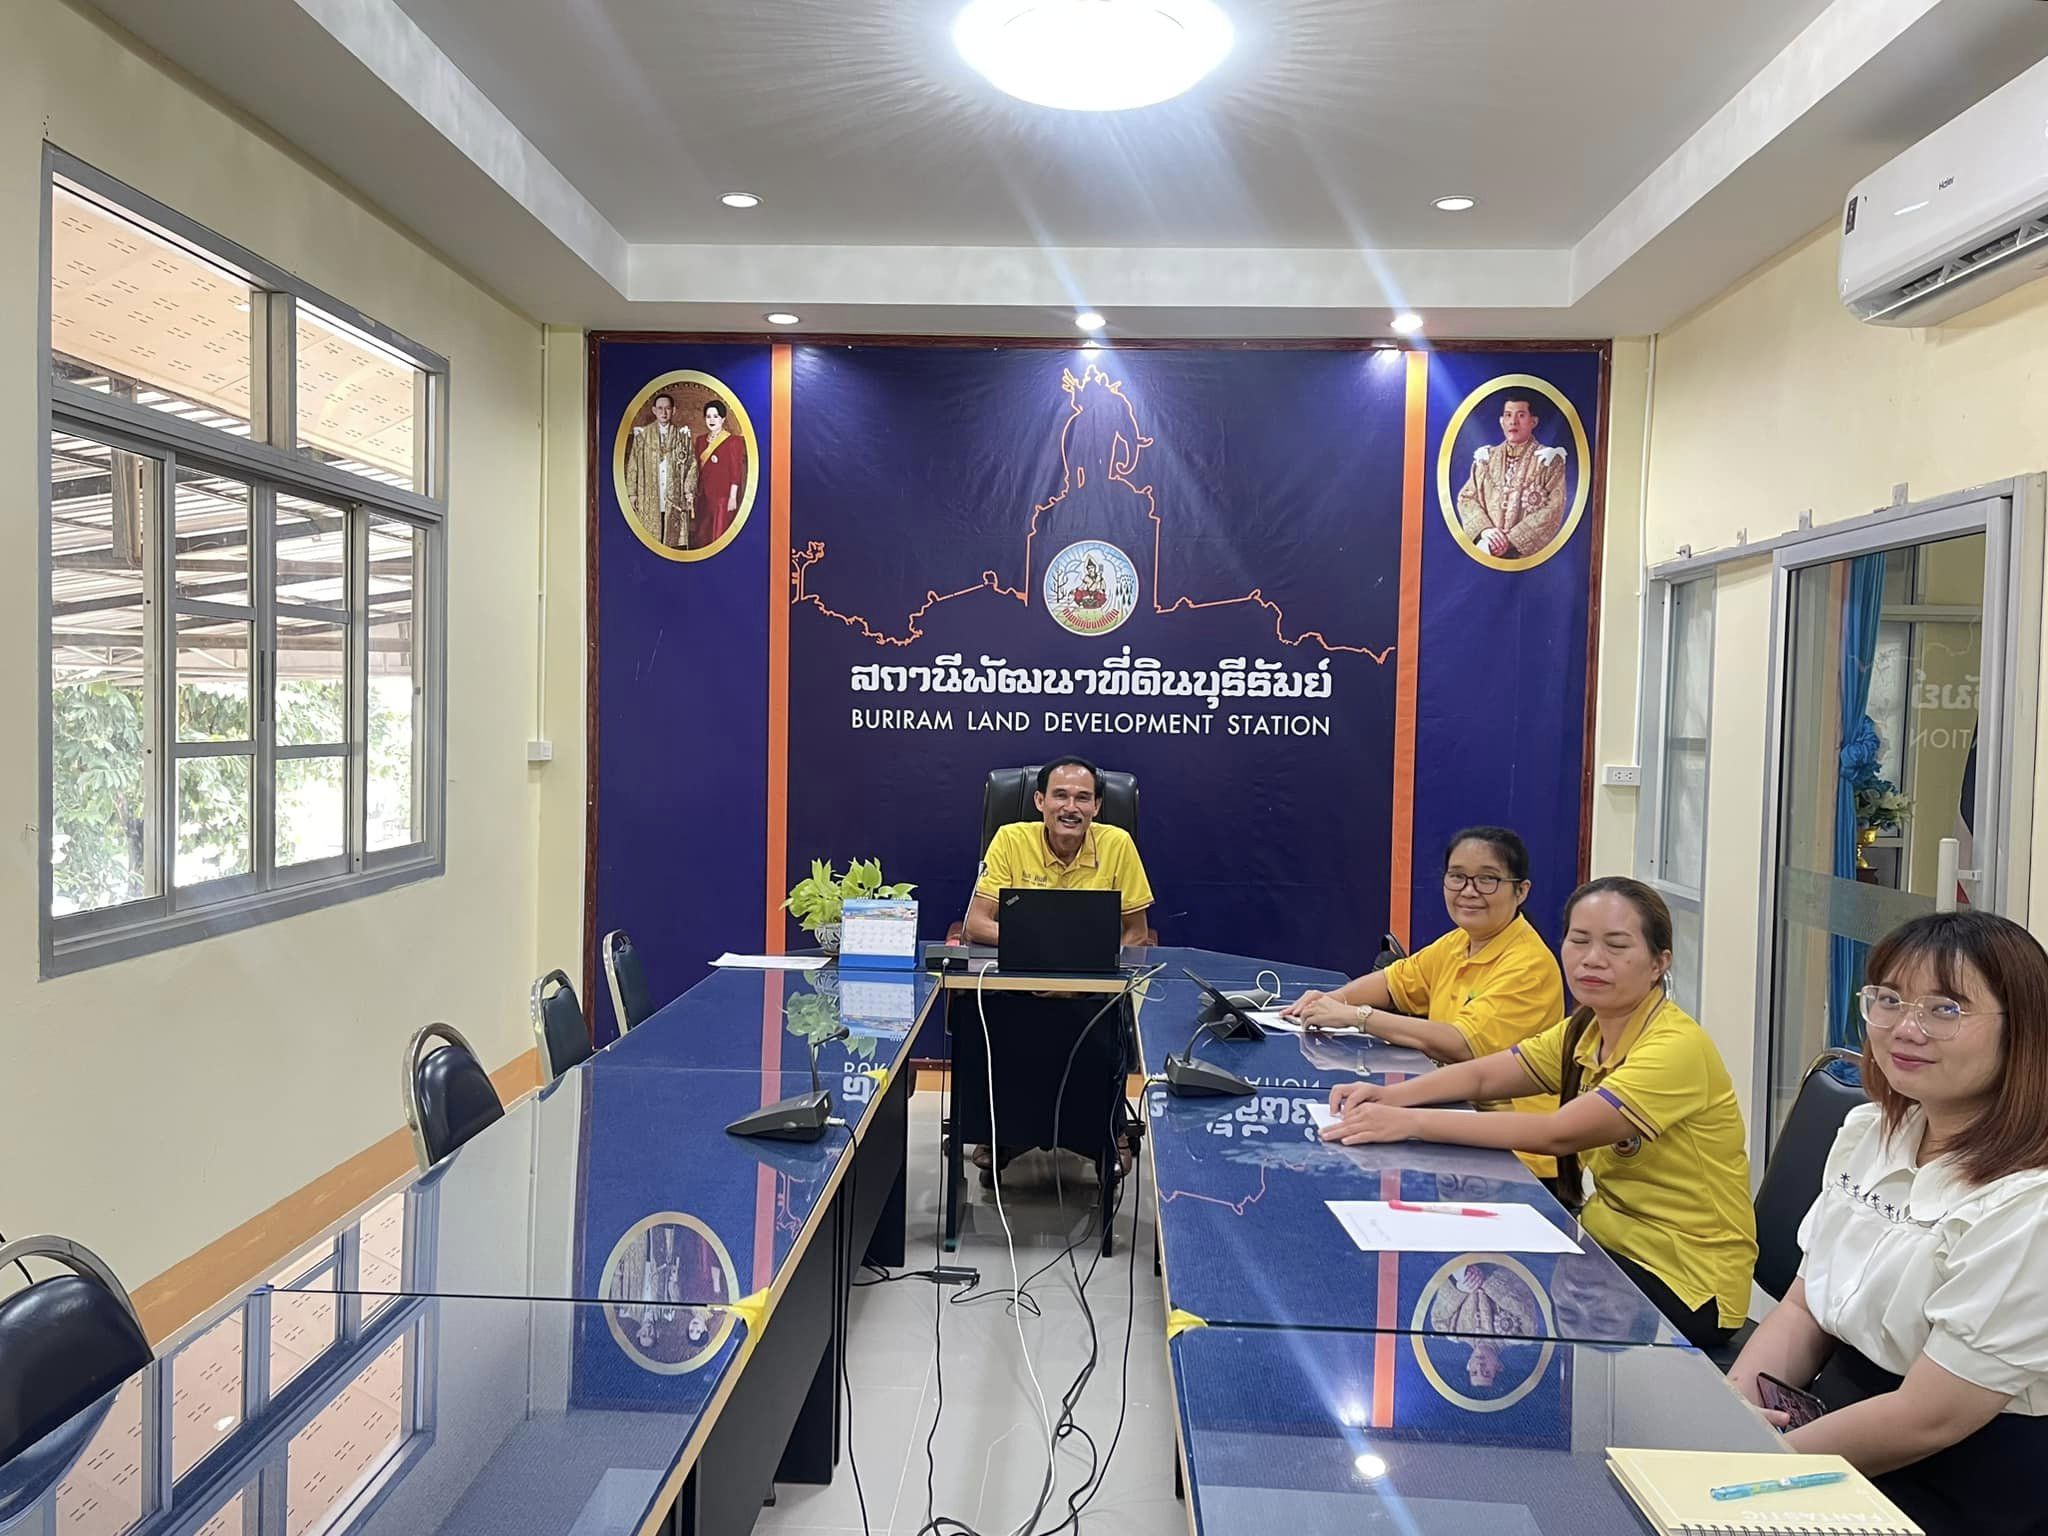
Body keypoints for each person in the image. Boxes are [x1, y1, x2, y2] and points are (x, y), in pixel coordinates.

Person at [1322, 877, 1756, 1351]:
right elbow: (1484, 1076)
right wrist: (1392, 1097)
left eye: (1616, 946)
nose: (1592, 959)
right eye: (1579, 940)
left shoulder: (1676, 1048)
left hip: (1687, 1279)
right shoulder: (1586, 1029)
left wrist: (1411, 1123)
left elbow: (1556, 1133)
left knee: (1493, 1290)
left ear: (1659, 963)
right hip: (1606, 1241)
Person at [1727, 911, 2048, 1536]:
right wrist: (1734, 1408)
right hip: (1833, 1420)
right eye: (1890, 999)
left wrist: (1755, 1464)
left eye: (1945, 1009)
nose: (1905, 1027)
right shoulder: (1870, 1132)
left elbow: (1930, 1418)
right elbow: (1804, 1306)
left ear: (2024, 1030)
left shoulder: (2028, 1204)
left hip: (1958, 1475)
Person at [1283, 827, 1566, 1177]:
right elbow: (1393, 982)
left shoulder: (1528, 965)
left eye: (1487, 880)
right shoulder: (1458, 942)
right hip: (1454, 1122)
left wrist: (1358, 1016)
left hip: (1517, 1156)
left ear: (1521, 891)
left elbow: (1462, 1045)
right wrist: (1330, 1000)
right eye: (1457, 877)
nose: (1469, 891)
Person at [963, 757, 1153, 948]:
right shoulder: (1010, 840)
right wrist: (1048, 946)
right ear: (1040, 801)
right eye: (1060, 796)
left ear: (1096, 806)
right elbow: (976, 924)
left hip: (1094, 964)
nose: (1070, 808)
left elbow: (1137, 932)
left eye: (1082, 798)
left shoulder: (1117, 844)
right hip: (1024, 958)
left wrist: (1103, 961)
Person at [1455, 394, 1568, 559]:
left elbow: (1553, 508)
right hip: (1486, 550)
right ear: (1501, 421)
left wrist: (1510, 540)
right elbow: (1466, 498)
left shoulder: (1548, 460)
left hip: (1526, 560)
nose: (1513, 422)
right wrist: (1486, 531)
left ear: (1533, 421)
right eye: (1508, 415)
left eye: (1521, 415)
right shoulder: (1486, 458)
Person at [623, 392, 696, 548]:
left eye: (667, 408)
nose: (664, 412)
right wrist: (632, 493)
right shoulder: (643, 436)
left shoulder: (682, 436)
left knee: (672, 542)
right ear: (654, 410)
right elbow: (633, 465)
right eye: (660, 408)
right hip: (649, 495)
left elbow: (691, 464)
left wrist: (688, 490)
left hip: (674, 496)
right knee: (650, 541)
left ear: (673, 411)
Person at [694, 398, 747, 546]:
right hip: (704, 496)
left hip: (722, 498)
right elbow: (696, 469)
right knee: (702, 536)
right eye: (708, 416)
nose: (712, 420)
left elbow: (736, 472)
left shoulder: (733, 441)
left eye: (715, 416)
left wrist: (732, 497)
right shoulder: (700, 441)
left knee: (718, 536)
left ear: (723, 419)